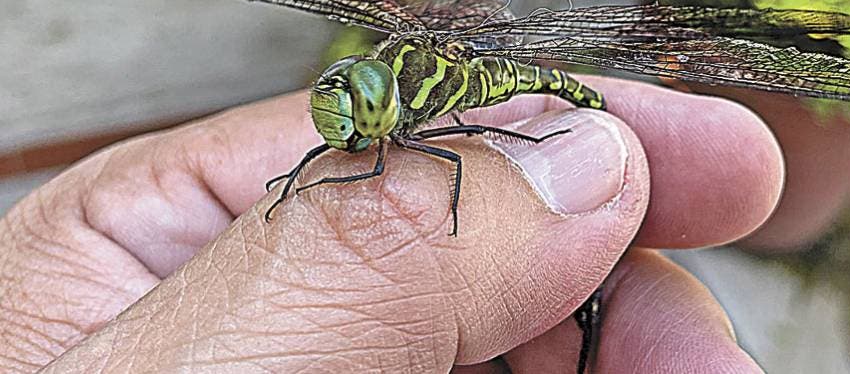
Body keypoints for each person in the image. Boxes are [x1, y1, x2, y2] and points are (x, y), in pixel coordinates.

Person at [0, 76, 783, 372]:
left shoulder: (414, 129)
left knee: (447, 163)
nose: (343, 121)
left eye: (356, 107)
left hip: (522, 100)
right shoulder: (366, 110)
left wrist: (440, 230)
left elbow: (440, 169)